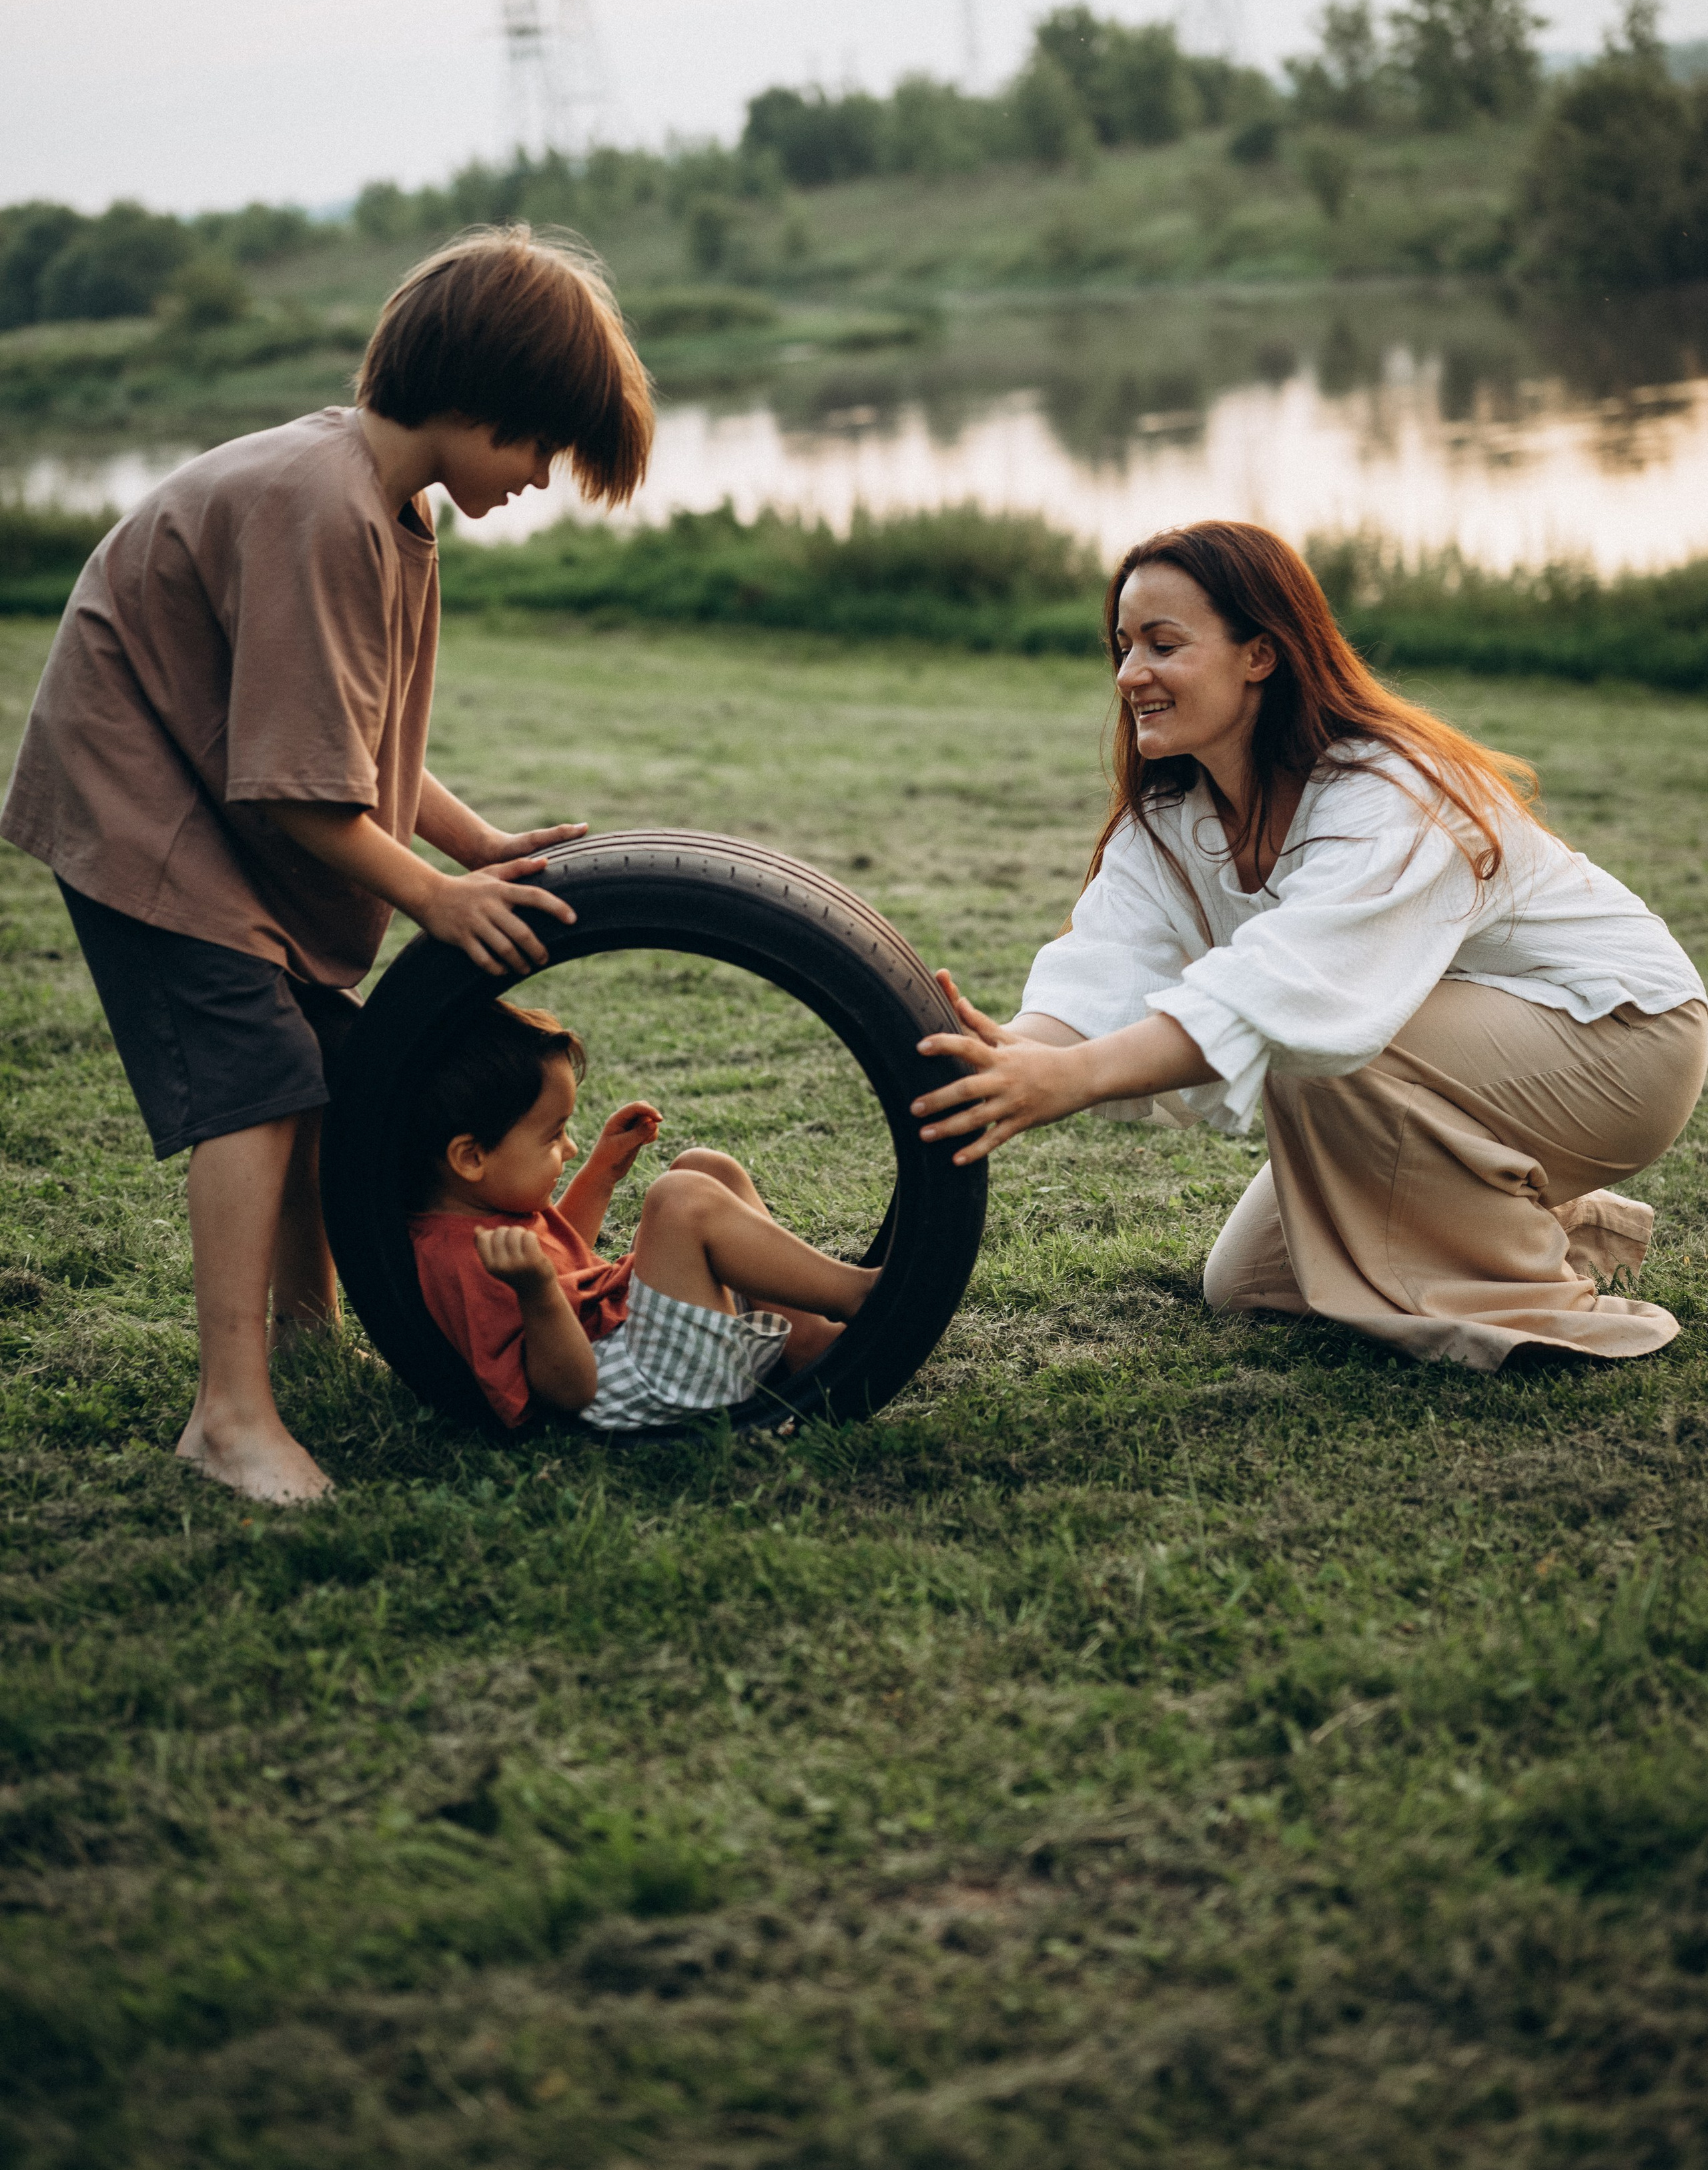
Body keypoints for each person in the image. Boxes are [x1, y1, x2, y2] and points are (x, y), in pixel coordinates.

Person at [1, 227, 655, 1501]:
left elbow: (346, 741)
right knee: (255, 1080)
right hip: (147, 805)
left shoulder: (389, 506)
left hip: (204, 783)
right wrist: (433, 894)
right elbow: (296, 790)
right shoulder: (323, 509)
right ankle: (231, 1415)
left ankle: (305, 1332)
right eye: (537, 445)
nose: (538, 479)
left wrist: (475, 843)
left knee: (308, 1066)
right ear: (476, 397)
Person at [913, 520, 1708, 1371]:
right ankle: (1546, 1225)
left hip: (1624, 1038)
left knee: (1318, 1045)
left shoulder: (1388, 786)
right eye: (1122, 646)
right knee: (1250, 1281)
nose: (1129, 674)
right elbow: (1094, 977)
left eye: (1162, 644)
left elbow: (1303, 988)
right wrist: (1000, 1058)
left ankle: (1534, 1298)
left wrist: (1070, 1080)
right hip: (1459, 1061)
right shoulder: (1174, 818)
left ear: (1260, 654)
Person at [406, 1000, 877, 1430]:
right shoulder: (457, 1260)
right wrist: (537, 1291)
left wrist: (600, 1175)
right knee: (679, 1197)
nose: (570, 1148)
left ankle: (808, 1340)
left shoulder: (491, 1207)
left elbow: (568, 1259)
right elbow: (570, 1389)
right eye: (553, 1136)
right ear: (470, 1158)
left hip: (638, 1341)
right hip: (639, 1387)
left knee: (704, 1166)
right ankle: (859, 1293)